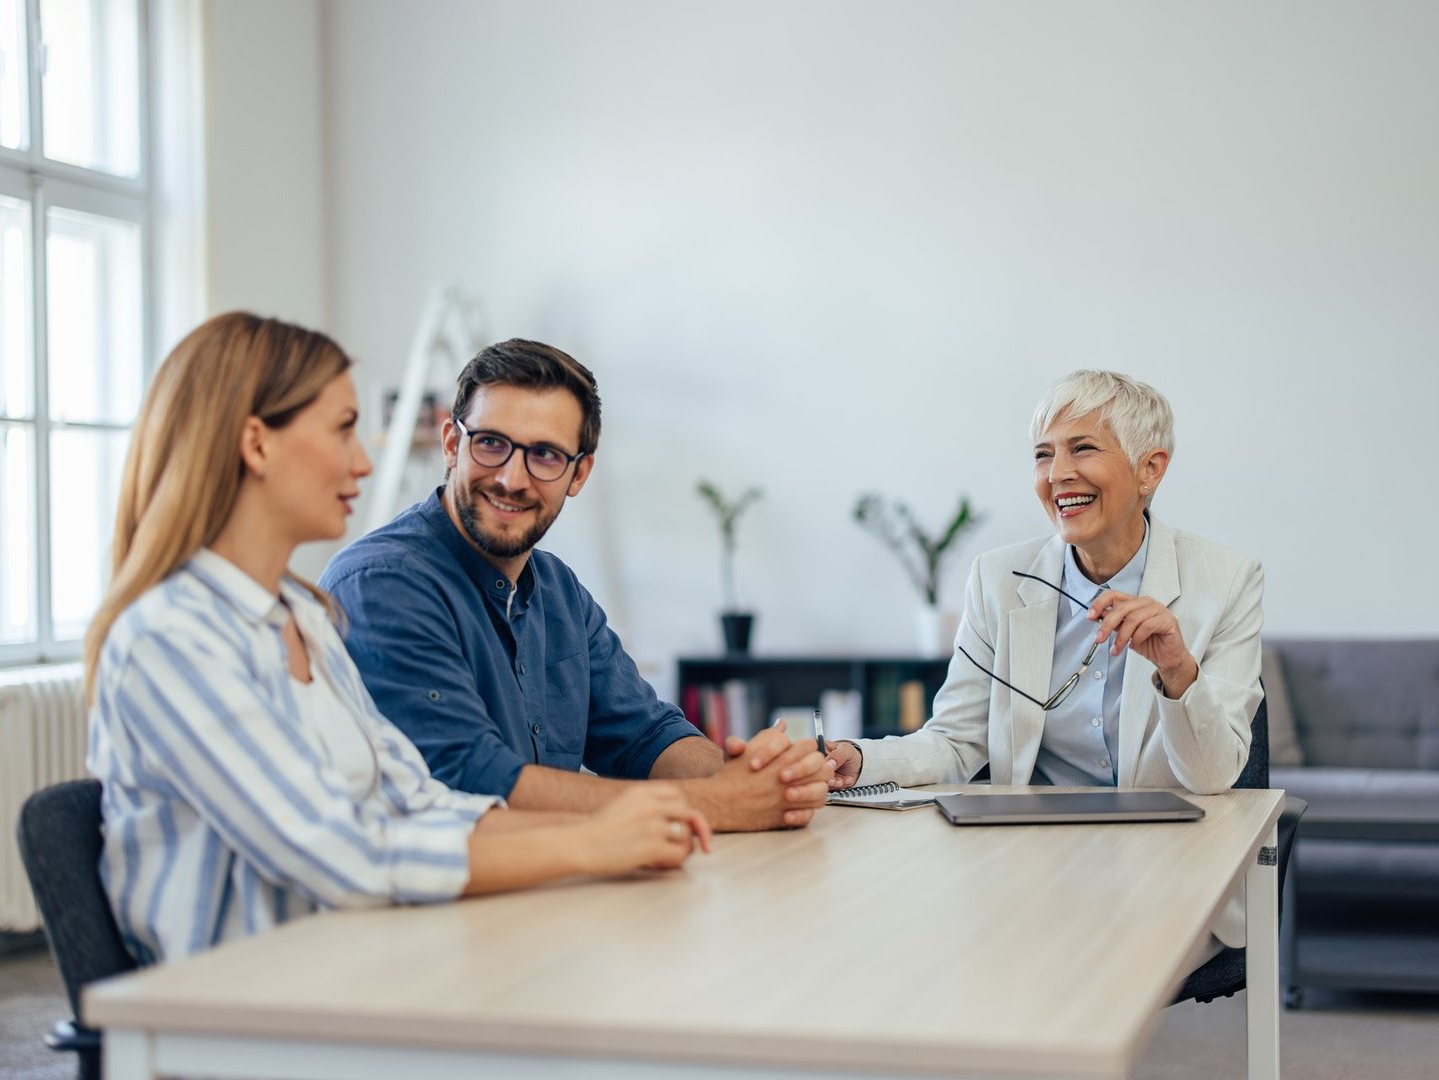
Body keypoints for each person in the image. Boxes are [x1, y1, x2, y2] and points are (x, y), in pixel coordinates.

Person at [84, 313, 710, 966]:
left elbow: (417, 799)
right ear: (257, 444)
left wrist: (633, 827)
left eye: (546, 455)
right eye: (344, 429)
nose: (362, 460)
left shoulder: (301, 614)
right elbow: (341, 852)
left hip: (360, 960)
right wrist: (591, 842)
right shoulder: (171, 640)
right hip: (243, 1011)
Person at [826, 369, 1263, 959]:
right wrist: (861, 759)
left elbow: (1213, 777)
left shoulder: (1227, 580)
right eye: (1043, 455)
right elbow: (956, 743)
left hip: (1165, 866)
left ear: (1150, 469)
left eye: (1083, 448)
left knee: (1045, 954)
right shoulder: (998, 579)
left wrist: (1178, 669)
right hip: (1028, 862)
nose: (1057, 474)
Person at [320, 340, 829, 831]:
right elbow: (471, 782)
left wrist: (757, 782)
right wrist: (716, 803)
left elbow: (646, 736)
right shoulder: (383, 585)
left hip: (553, 895)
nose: (512, 479)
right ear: (453, 444)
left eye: (544, 455)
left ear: (579, 473)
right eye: (491, 444)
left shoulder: (560, 590)